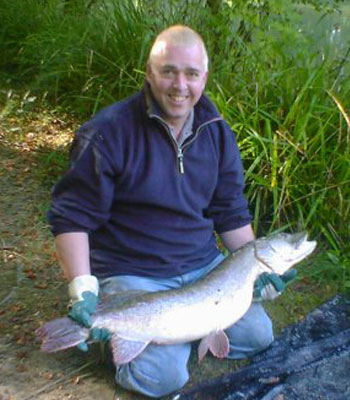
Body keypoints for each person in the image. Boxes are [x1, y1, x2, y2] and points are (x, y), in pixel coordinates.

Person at [47, 25, 293, 398]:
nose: (180, 85)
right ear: (149, 73)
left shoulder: (217, 132)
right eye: (169, 71)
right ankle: (111, 334)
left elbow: (230, 212)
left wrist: (256, 268)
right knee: (163, 379)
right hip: (135, 271)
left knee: (260, 335)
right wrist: (82, 289)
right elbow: (71, 217)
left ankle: (173, 333)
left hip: (203, 269)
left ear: (204, 78)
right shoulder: (106, 132)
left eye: (191, 74)